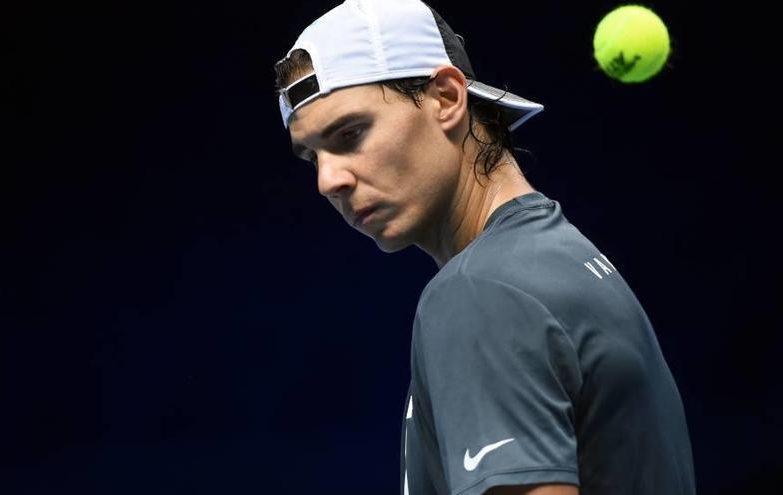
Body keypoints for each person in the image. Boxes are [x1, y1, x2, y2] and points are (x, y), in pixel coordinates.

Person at [273, 1, 696, 494]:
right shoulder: (565, 258)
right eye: (312, 157)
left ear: (447, 98)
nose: (328, 180)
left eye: (351, 134)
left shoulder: (480, 293)